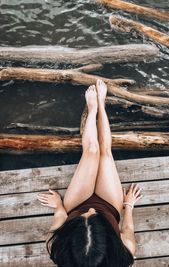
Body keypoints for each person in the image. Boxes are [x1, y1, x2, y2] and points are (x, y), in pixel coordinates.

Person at [37, 79, 143, 267]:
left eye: (85, 217)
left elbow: (61, 218)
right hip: (109, 207)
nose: (91, 210)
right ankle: (101, 105)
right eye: (94, 216)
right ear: (107, 236)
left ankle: (91, 108)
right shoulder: (124, 251)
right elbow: (127, 228)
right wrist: (129, 205)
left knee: (91, 151)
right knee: (104, 152)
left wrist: (58, 205)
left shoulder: (57, 247)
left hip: (75, 205)